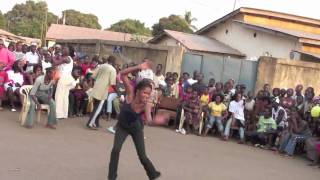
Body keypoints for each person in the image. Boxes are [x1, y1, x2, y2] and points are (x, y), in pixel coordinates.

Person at [108, 61, 161, 180]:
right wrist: (138, 67)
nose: (146, 96)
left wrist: (158, 121)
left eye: (149, 94)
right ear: (138, 91)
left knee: (142, 156)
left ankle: (152, 173)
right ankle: (111, 177)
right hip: (122, 126)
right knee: (115, 150)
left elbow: (149, 121)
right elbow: (122, 74)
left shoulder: (146, 104)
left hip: (136, 128)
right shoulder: (130, 93)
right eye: (144, 93)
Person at [86, 56, 116, 129]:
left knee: (97, 106)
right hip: (103, 91)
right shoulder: (112, 69)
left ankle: (96, 123)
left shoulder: (101, 66)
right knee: (98, 108)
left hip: (96, 88)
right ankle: (90, 123)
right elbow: (112, 83)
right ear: (113, 62)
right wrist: (117, 91)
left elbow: (93, 76)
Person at [54, 46, 75, 119]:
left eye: (65, 48)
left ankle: (58, 114)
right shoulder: (66, 58)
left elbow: (55, 62)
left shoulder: (67, 58)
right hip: (67, 79)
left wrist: (53, 55)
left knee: (59, 96)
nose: (63, 49)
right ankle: (64, 114)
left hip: (64, 79)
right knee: (64, 97)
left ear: (69, 51)